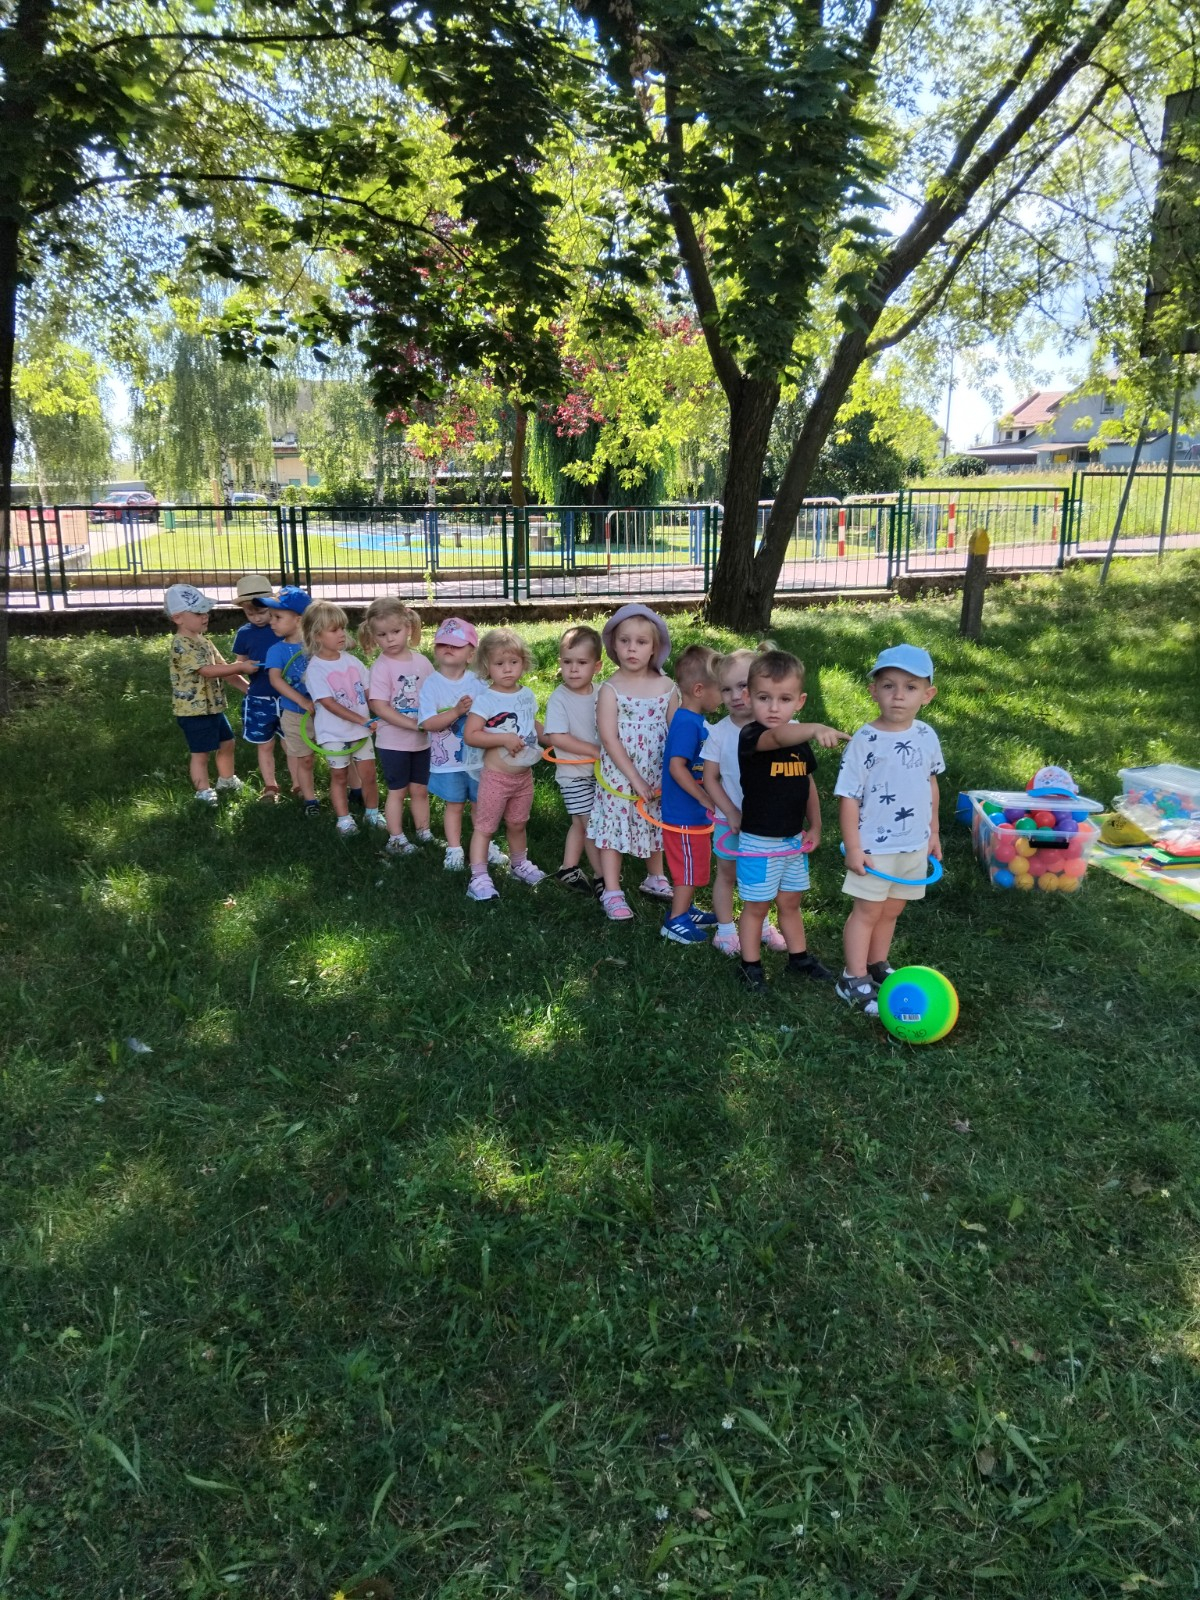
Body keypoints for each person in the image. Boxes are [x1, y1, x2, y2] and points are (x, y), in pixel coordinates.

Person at [834, 644, 944, 1015]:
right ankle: (852, 977)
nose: (898, 695)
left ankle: (877, 964)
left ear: (927, 695)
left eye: (910, 687)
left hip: (913, 843)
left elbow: (930, 784)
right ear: (873, 691)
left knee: (892, 909)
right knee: (867, 911)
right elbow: (848, 797)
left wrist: (933, 832)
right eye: (888, 686)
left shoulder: (926, 735)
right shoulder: (865, 740)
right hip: (874, 847)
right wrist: (854, 847)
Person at [734, 649, 845, 992]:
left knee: (791, 901)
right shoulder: (752, 736)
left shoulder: (800, 741)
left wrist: (816, 826)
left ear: (800, 701)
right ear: (747, 697)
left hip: (793, 840)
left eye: (784, 699)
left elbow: (806, 784)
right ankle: (750, 966)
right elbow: (778, 737)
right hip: (759, 841)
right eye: (763, 698)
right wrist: (815, 728)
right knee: (756, 907)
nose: (773, 708)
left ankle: (799, 958)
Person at [587, 603, 675, 922]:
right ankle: (612, 890)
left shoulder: (667, 687)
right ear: (614, 645)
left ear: (654, 648)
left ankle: (655, 876)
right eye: (624, 641)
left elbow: (676, 733)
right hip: (621, 775)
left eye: (641, 642)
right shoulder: (610, 689)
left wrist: (675, 772)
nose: (632, 648)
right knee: (614, 826)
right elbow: (609, 738)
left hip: (656, 771)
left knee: (654, 821)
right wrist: (634, 778)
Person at [416, 617, 506, 872]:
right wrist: (456, 712)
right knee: (454, 806)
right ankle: (454, 849)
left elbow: (493, 713)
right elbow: (427, 723)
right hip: (448, 763)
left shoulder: (478, 683)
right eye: (442, 644)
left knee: (481, 805)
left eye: (455, 645)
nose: (448, 648)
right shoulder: (431, 684)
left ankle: (485, 845)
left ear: (470, 654)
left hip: (479, 760)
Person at [462, 628, 545, 901]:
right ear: (487, 666)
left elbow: (532, 724)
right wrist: (503, 738)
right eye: (499, 663)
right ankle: (478, 877)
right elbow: (471, 735)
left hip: (523, 777)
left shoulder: (527, 694)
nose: (508, 669)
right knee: (485, 827)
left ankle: (519, 864)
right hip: (496, 777)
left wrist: (553, 737)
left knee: (518, 823)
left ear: (523, 662)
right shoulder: (486, 699)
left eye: (514, 662)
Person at [300, 600, 387, 836]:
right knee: (339, 776)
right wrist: (363, 720)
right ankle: (344, 819)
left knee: (369, 775)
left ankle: (372, 813)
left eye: (342, 628)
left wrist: (385, 712)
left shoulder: (352, 661)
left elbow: (370, 693)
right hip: (333, 732)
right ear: (317, 635)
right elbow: (328, 703)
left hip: (361, 730)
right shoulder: (316, 669)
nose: (341, 634)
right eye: (334, 630)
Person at [658, 644, 723, 944]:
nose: (724, 697)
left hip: (694, 814)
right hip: (683, 814)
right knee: (686, 867)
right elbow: (677, 767)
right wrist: (702, 797)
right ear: (699, 689)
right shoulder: (686, 722)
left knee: (695, 862)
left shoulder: (696, 721)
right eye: (720, 690)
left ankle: (687, 909)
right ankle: (675, 920)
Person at [165, 582, 250, 805]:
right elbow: (207, 671)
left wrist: (248, 690)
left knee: (227, 743)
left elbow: (224, 669)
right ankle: (203, 792)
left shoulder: (204, 641)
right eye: (198, 613)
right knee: (200, 753)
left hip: (213, 708)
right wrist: (241, 666)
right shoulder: (181, 644)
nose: (205, 617)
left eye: (206, 612)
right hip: (193, 712)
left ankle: (226, 780)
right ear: (177, 618)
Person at [361, 598, 434, 856]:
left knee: (420, 789)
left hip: (422, 742)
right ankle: (396, 838)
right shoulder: (381, 667)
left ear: (408, 628)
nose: (390, 639)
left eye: (395, 631)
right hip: (393, 743)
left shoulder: (422, 662)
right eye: (382, 635)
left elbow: (434, 694)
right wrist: (414, 725)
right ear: (373, 637)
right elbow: (379, 706)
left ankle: (424, 832)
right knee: (398, 791)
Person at [541, 624, 604, 893]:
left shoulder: (603, 693)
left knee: (582, 822)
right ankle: (604, 878)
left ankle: (568, 868)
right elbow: (557, 737)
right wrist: (594, 751)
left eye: (582, 662)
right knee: (589, 823)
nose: (573, 669)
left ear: (597, 666)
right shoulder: (560, 698)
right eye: (567, 662)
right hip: (574, 775)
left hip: (600, 774)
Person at [262, 586, 319, 816]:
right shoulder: (276, 650)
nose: (271, 622)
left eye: (277, 617)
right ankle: (310, 800)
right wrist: (302, 702)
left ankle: (355, 792)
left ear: (299, 620)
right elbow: (275, 679)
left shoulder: (317, 644)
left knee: (341, 754)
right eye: (271, 616)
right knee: (305, 759)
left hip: (327, 712)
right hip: (295, 714)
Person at [231, 574, 283, 801]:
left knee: (293, 744)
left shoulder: (282, 627)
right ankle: (270, 786)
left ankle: (300, 785)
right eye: (250, 614)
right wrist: (247, 685)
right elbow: (236, 667)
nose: (257, 618)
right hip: (260, 698)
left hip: (289, 698)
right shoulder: (244, 633)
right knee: (265, 745)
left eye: (261, 612)